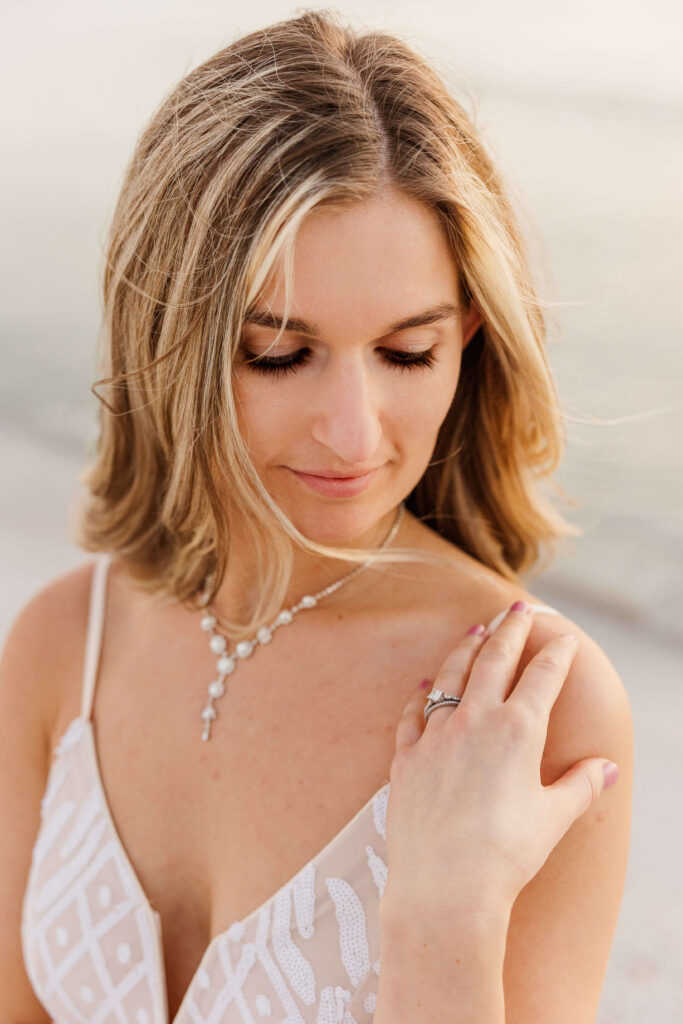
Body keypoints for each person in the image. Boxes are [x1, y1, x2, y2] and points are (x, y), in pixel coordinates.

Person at [0, 9, 633, 1023]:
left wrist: (441, 922)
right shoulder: (62, 649)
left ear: (467, 338)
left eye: (406, 352)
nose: (352, 433)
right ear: (172, 338)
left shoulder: (530, 709)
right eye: (279, 353)